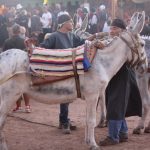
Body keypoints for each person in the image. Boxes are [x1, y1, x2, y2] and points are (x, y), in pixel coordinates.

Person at [99, 19, 142, 146]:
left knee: (115, 105)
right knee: (116, 104)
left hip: (123, 75)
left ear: (122, 30)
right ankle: (123, 133)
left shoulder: (125, 42)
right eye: (111, 28)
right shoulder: (116, 40)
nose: (111, 31)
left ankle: (113, 137)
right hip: (114, 76)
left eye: (115, 29)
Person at [3, 24, 31, 113]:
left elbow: (4, 55)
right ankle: (27, 106)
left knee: (16, 87)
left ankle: (18, 106)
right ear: (19, 31)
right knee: (25, 87)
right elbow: (28, 54)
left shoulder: (7, 41)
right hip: (23, 66)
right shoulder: (24, 41)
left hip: (12, 68)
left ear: (12, 31)